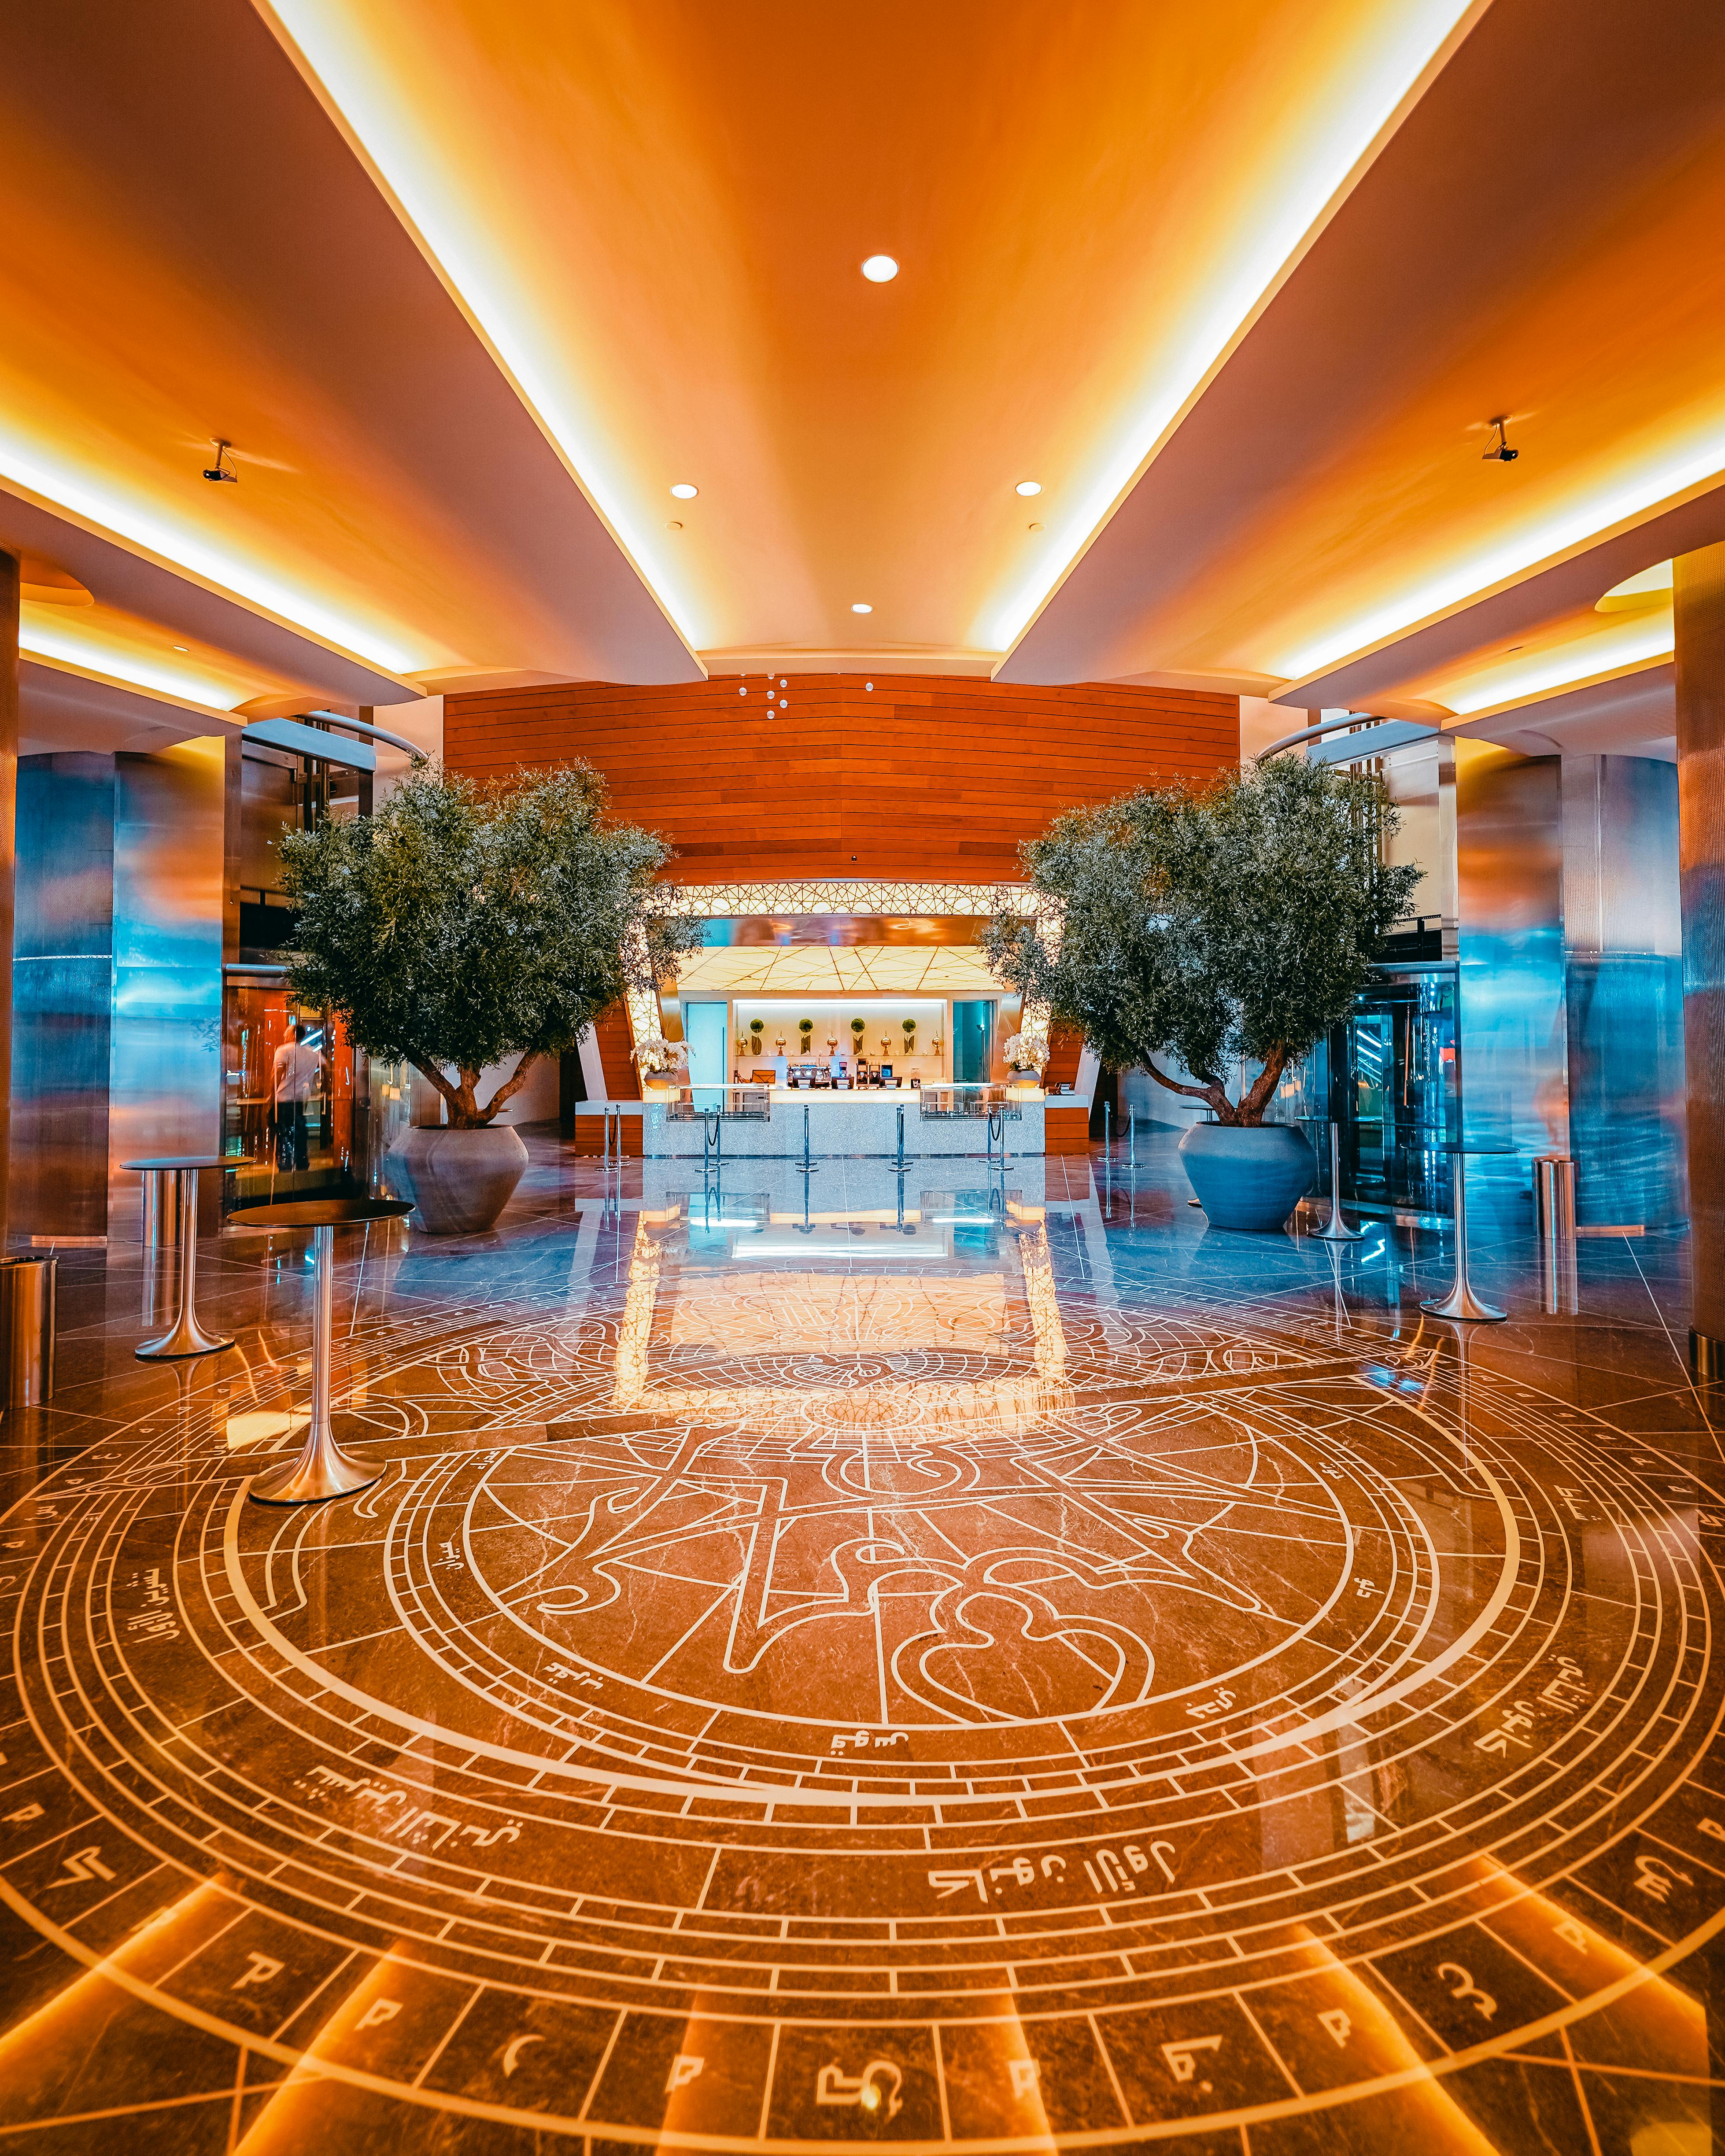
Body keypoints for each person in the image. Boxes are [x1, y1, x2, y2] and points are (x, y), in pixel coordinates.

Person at [271, 1019, 321, 1173]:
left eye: (287, 1032)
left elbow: (276, 1074)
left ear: (293, 1035)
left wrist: (271, 1095)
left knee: (284, 1133)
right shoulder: (312, 1053)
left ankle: (286, 1164)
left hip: (284, 1099)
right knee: (300, 1133)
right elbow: (327, 1067)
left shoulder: (284, 1050)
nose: (284, 1035)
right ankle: (302, 1163)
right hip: (301, 1100)